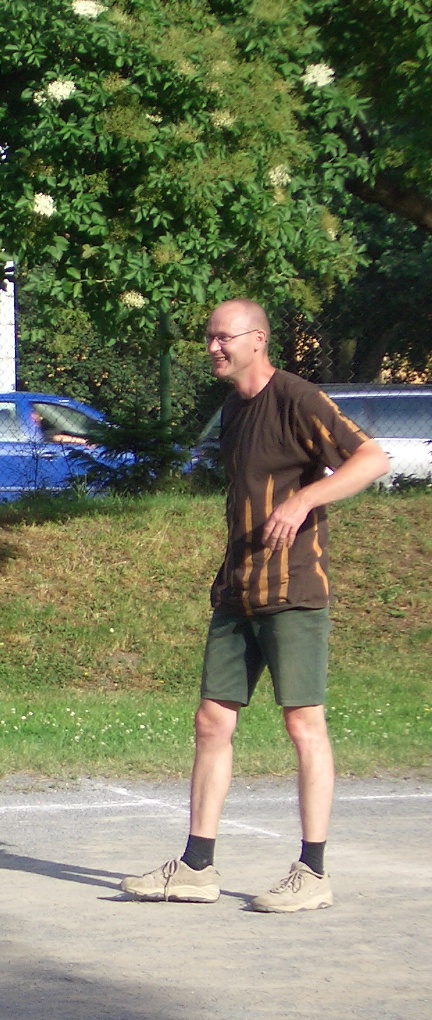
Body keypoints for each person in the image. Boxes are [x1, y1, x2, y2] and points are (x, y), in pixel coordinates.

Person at [122, 300, 390, 912]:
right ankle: (196, 867)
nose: (213, 347)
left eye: (224, 337)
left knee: (303, 724)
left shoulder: (296, 397)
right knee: (211, 720)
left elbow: (372, 459)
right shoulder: (233, 409)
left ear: (258, 339)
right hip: (238, 588)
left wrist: (304, 500)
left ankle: (313, 872)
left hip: (293, 589)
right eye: (208, 337)